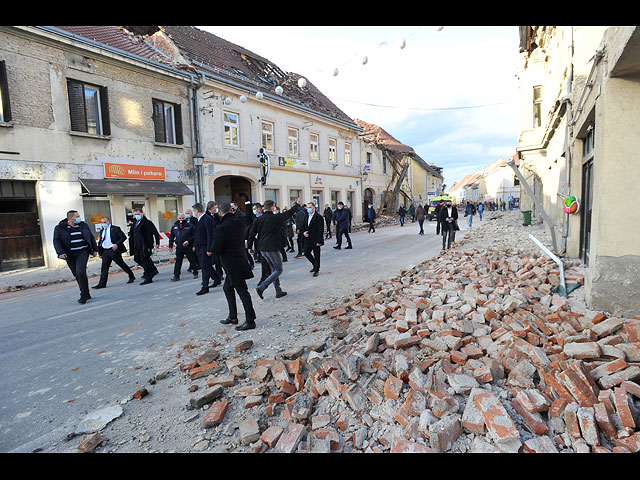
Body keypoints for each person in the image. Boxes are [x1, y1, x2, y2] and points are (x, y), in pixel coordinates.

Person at [212, 202, 256, 331]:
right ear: (231, 210)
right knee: (227, 288)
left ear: (221, 213)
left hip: (231, 264)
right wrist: (247, 203)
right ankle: (232, 316)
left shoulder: (221, 227)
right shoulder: (239, 222)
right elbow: (248, 218)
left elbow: (215, 248)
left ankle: (250, 320)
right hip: (240, 260)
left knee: (243, 292)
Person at [247, 198, 300, 299]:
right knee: (278, 269)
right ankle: (262, 287)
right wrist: (297, 205)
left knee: (273, 269)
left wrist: (249, 246)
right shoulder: (277, 218)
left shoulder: (258, 219)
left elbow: (252, 233)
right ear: (272, 207)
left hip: (262, 248)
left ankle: (278, 291)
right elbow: (289, 213)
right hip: (272, 247)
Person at [53, 210, 98, 303]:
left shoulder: (83, 225)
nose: (79, 218)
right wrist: (60, 252)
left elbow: (91, 236)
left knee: (80, 272)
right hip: (69, 254)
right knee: (77, 274)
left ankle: (83, 295)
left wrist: (95, 250)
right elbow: (56, 241)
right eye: (77, 216)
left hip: (82, 251)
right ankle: (86, 292)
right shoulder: (60, 228)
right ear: (70, 218)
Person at [93, 216, 135, 289]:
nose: (103, 224)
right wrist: (100, 252)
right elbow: (101, 241)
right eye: (102, 223)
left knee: (121, 263)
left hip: (113, 250)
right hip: (105, 251)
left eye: (105, 222)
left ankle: (131, 275)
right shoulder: (102, 230)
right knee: (104, 267)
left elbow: (123, 237)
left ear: (109, 222)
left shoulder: (115, 229)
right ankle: (102, 283)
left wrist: (117, 244)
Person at [192, 202, 220, 295]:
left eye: (194, 211)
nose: (194, 213)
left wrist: (209, 249)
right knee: (206, 265)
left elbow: (210, 235)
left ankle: (205, 287)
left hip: (205, 247)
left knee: (205, 267)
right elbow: (198, 234)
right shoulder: (200, 219)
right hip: (200, 247)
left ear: (196, 210)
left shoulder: (206, 219)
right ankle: (216, 279)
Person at [129, 207, 160, 285]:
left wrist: (157, 243)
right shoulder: (135, 222)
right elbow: (132, 232)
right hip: (136, 244)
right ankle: (152, 270)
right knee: (137, 259)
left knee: (145, 260)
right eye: (135, 214)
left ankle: (149, 276)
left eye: (138, 214)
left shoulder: (147, 223)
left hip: (145, 245)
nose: (136, 216)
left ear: (142, 214)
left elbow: (155, 232)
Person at [169, 213, 199, 281]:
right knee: (178, 262)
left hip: (188, 246)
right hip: (179, 247)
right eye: (180, 218)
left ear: (185, 218)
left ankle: (195, 272)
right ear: (177, 218)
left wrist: (190, 242)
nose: (181, 220)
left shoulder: (190, 226)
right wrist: (170, 245)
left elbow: (195, 236)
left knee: (192, 260)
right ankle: (176, 276)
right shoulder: (174, 227)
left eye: (182, 218)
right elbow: (171, 237)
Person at [302, 202, 324, 276]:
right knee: (306, 253)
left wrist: (319, 241)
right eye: (307, 207)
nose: (308, 209)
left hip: (315, 238)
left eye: (310, 207)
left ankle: (316, 270)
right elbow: (303, 226)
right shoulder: (306, 216)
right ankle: (315, 265)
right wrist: (304, 232)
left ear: (314, 208)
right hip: (308, 238)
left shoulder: (319, 217)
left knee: (316, 254)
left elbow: (320, 230)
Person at [206, 201, 224, 281]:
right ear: (211, 208)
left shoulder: (217, 216)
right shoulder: (206, 216)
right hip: (210, 240)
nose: (216, 210)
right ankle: (211, 277)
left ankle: (219, 274)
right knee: (210, 261)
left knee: (218, 260)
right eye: (215, 208)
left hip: (217, 238)